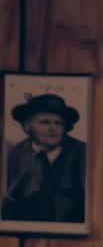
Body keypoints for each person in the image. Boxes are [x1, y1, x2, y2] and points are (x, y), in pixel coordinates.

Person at [2, 93, 87, 223]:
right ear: (27, 126)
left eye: (59, 123)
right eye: (45, 122)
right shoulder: (14, 155)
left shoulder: (82, 153)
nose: (53, 128)